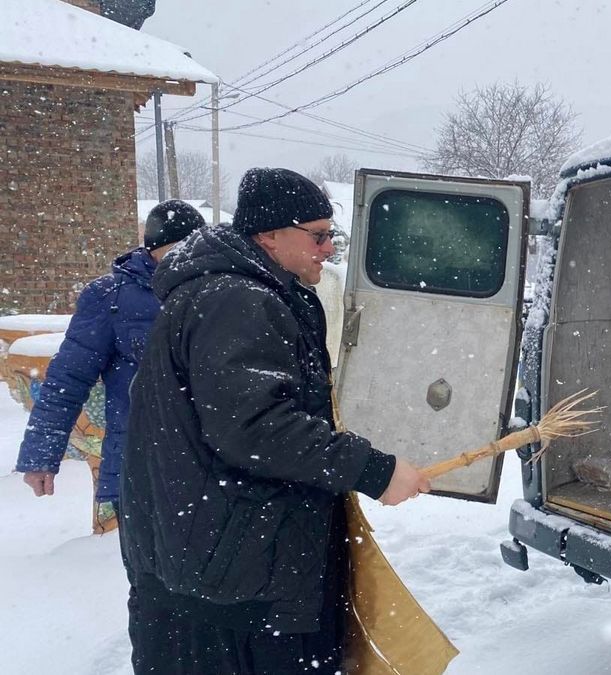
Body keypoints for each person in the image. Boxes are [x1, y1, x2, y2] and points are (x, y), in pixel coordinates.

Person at [119, 167, 430, 674]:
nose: (328, 248)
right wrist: (374, 470)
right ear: (268, 235)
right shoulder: (236, 299)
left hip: (208, 566)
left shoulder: (230, 292)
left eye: (332, 234)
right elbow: (256, 427)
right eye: (318, 235)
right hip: (233, 581)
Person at [15, 200, 206, 531]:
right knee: (152, 574)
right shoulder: (110, 297)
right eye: (177, 250)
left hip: (211, 464)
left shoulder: (216, 292)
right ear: (155, 249)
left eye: (195, 249)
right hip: (142, 464)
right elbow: (67, 380)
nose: (186, 260)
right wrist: (41, 457)